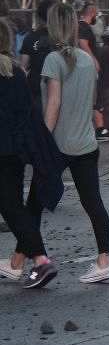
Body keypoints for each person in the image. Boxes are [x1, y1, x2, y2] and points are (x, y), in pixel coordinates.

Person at [29, 3, 109, 286]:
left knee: (33, 204)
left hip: (59, 145)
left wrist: (43, 139)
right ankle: (104, 260)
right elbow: (88, 102)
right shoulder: (88, 61)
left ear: (54, 27)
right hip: (86, 143)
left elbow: (53, 103)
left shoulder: (54, 60)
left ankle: (24, 262)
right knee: (93, 204)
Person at [0, 18, 46, 287]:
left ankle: (40, 259)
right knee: (14, 206)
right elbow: (27, 112)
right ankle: (30, 260)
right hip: (15, 151)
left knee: (12, 209)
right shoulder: (16, 72)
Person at [19, 0, 55, 106]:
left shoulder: (30, 37)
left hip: (36, 88)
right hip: (58, 86)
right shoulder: (61, 38)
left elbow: (23, 67)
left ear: (39, 16)